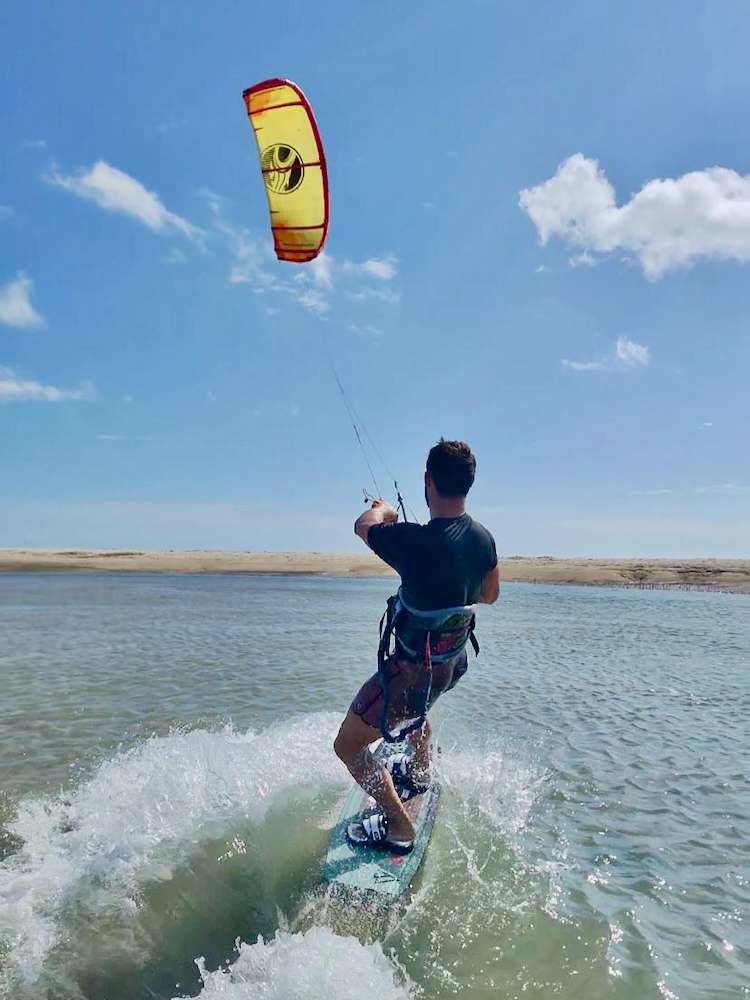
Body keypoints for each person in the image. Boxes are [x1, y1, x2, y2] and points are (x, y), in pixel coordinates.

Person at [334, 439, 499, 853]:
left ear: (428, 482)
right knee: (415, 704)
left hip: (410, 675)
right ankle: (422, 769)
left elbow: (363, 524)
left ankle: (398, 824)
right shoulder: (484, 539)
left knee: (348, 744)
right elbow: (491, 595)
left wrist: (384, 510)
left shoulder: (411, 541)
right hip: (449, 667)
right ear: (469, 484)